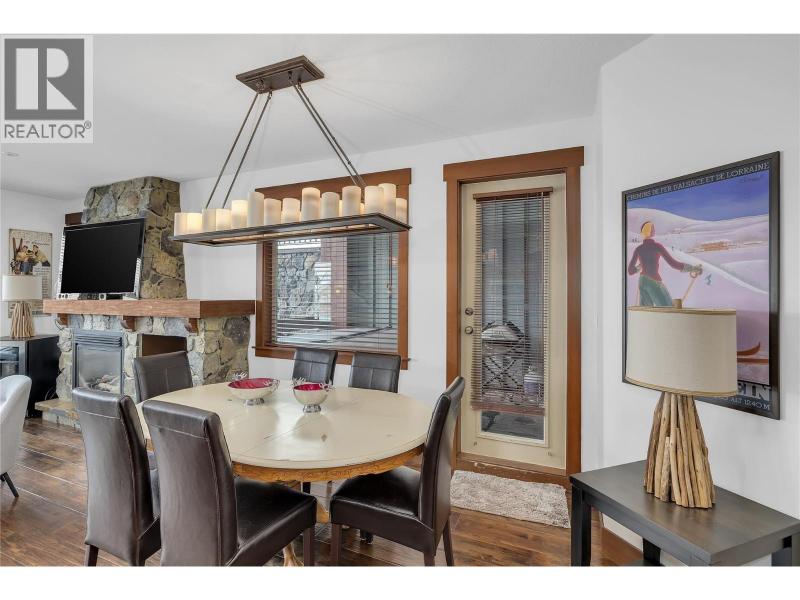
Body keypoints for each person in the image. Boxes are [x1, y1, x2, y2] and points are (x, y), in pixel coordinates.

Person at [628, 221, 702, 306]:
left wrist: (640, 267)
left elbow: (630, 271)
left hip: (642, 282)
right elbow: (673, 263)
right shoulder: (657, 246)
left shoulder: (638, 249)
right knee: (668, 309)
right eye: (653, 228)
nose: (654, 230)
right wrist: (692, 268)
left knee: (645, 311)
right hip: (654, 281)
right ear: (650, 231)